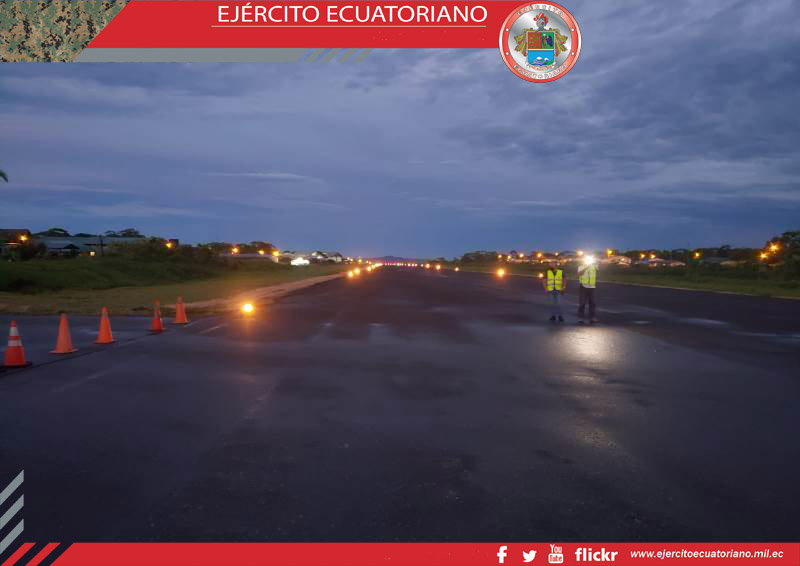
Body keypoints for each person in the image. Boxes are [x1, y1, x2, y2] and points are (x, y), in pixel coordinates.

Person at [577, 256, 598, 324]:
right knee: (582, 303)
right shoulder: (581, 266)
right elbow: (579, 274)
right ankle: (580, 318)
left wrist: (594, 263)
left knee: (592, 303)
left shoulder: (594, 266)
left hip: (592, 286)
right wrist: (586, 267)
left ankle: (592, 317)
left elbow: (598, 270)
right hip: (583, 286)